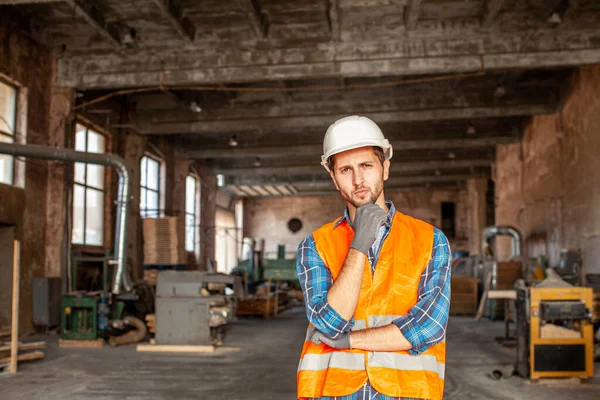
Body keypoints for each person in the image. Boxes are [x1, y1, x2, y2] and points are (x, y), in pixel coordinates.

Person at [295, 115, 451, 400]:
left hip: (406, 393)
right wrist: (359, 244)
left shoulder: (431, 240)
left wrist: (349, 341)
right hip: (335, 394)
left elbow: (428, 327)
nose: (358, 180)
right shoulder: (315, 245)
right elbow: (330, 323)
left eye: (366, 165)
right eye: (345, 169)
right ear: (333, 177)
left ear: (385, 168)